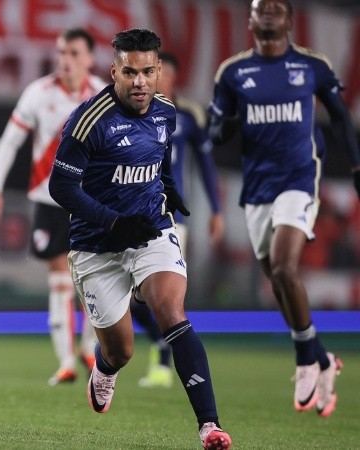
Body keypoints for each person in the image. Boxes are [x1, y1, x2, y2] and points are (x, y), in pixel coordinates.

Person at [49, 29, 231, 449]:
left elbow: (161, 153)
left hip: (152, 230)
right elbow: (62, 187)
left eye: (148, 71)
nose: (140, 82)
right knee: (123, 350)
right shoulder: (87, 120)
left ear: (159, 71)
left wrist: (168, 186)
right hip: (96, 245)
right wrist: (113, 223)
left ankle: (209, 426)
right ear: (114, 71)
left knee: (171, 310)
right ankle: (106, 368)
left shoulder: (167, 112)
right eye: (130, 72)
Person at [208, 0, 358, 418]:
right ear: (251, 20)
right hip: (257, 187)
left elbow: (342, 119)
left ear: (291, 19)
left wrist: (357, 165)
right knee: (275, 282)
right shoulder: (233, 72)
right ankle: (324, 358)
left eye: (278, 6)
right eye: (261, 7)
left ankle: (305, 358)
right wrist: (227, 124)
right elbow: (215, 130)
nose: (269, 11)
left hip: (299, 177)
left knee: (285, 268)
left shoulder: (312, 66)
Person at [0, 28, 107, 386]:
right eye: (60, 52)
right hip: (48, 198)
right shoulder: (38, 93)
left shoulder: (102, 96)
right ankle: (66, 361)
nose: (64, 60)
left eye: (72, 53)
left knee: (90, 281)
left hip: (90, 201)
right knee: (59, 281)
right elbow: (10, 142)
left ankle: (87, 349)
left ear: (88, 58)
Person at [131, 52, 224, 389]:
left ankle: (162, 363)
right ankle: (155, 343)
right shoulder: (130, 111)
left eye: (167, 74)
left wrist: (216, 209)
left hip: (171, 217)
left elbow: (205, 164)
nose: (162, 80)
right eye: (158, 73)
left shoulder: (187, 115)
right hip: (130, 211)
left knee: (166, 298)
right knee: (129, 297)